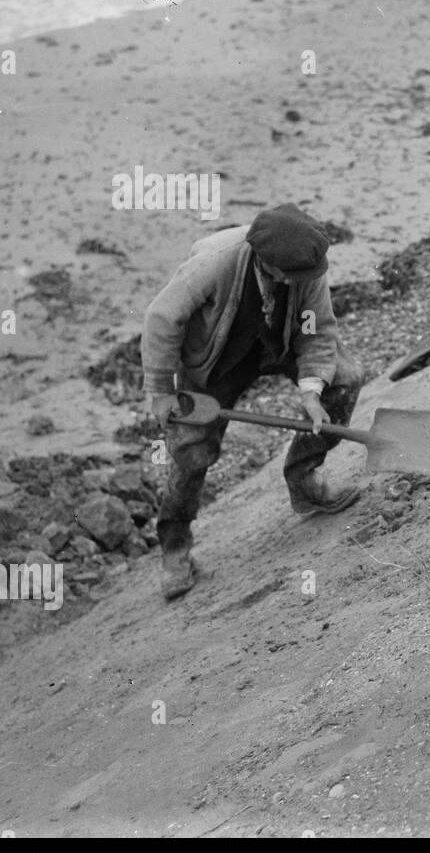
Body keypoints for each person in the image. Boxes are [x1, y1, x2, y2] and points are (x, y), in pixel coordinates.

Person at [142, 203, 362, 600]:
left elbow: (318, 332)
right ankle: (175, 547)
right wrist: (160, 391)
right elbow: (161, 318)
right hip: (214, 359)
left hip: (278, 345)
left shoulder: (306, 267)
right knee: (191, 450)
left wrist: (311, 392)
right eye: (292, 277)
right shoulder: (214, 262)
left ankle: (304, 479)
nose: (304, 281)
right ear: (266, 263)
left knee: (344, 379)